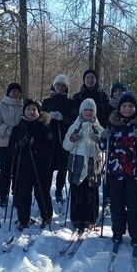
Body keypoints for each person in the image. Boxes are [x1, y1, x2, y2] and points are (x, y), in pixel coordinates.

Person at [99, 92, 137, 248]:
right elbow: (103, 147)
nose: (127, 109)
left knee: (134, 205)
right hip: (115, 172)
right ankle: (118, 231)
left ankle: (136, 233)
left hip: (134, 173)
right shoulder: (112, 124)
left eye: (131, 106)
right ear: (119, 108)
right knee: (116, 204)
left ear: (135, 108)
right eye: (124, 106)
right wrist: (105, 136)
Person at [8, 99, 54, 230]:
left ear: (39, 112)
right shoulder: (18, 128)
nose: (31, 112)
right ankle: (23, 219)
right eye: (28, 109)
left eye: (34, 109)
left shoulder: (44, 127)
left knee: (42, 193)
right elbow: (11, 148)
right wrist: (18, 145)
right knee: (23, 194)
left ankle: (47, 217)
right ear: (24, 112)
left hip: (40, 166)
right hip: (22, 166)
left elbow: (50, 147)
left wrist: (36, 145)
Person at [62, 98, 103, 230]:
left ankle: (90, 218)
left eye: (91, 110)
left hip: (93, 161)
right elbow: (66, 146)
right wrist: (73, 139)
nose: (88, 112)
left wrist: (99, 140)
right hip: (77, 161)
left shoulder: (98, 128)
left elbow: (105, 146)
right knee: (77, 190)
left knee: (91, 190)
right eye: (86, 109)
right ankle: (76, 217)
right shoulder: (74, 126)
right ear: (81, 111)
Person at [41, 74, 76, 204]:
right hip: (49, 139)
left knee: (62, 167)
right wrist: (47, 117)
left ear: (66, 88)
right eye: (58, 85)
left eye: (63, 85)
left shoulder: (70, 102)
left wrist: (62, 118)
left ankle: (59, 191)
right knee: (48, 167)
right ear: (54, 86)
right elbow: (40, 118)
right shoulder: (46, 102)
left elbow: (73, 120)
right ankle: (46, 190)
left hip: (63, 139)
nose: (60, 87)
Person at [0, 82, 24, 207]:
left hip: (20, 144)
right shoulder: (0, 107)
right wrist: (12, 131)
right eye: (13, 91)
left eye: (18, 91)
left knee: (18, 170)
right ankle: (3, 195)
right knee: (5, 170)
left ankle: (16, 194)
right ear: (8, 93)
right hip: (4, 144)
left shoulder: (23, 107)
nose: (16, 93)